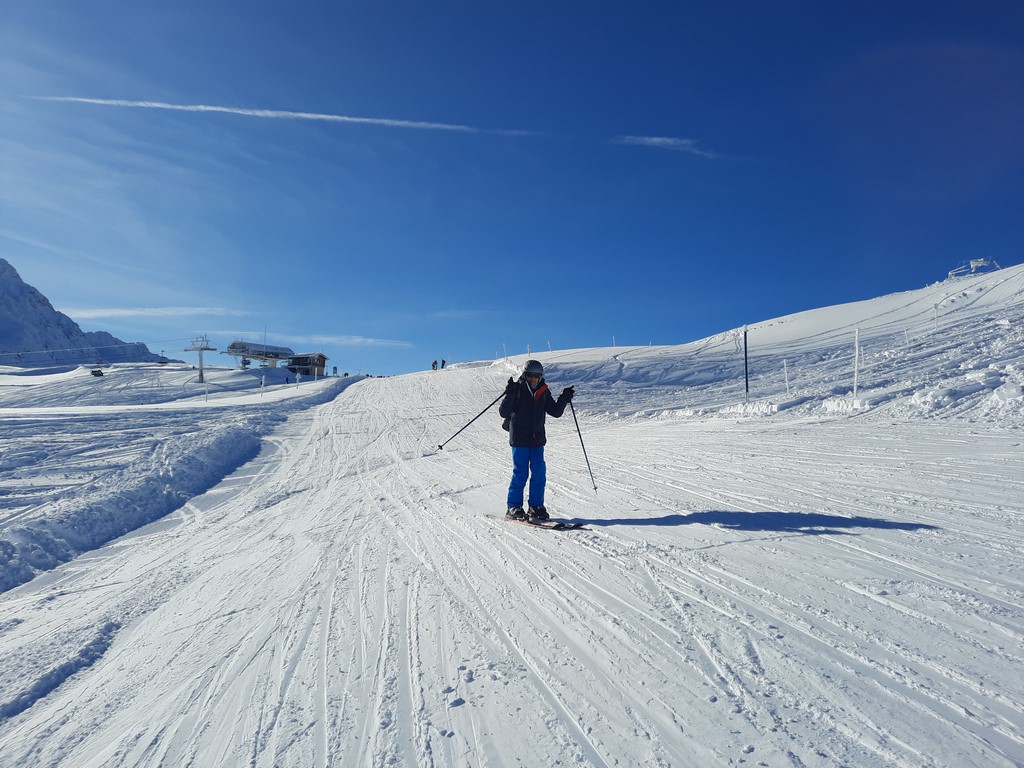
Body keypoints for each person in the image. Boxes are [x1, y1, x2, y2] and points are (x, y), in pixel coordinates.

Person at [498, 360, 574, 521]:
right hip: (519, 439)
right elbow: (503, 412)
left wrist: (564, 398)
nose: (533, 379)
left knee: (539, 473)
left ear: (541, 377)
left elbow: (555, 412)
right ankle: (513, 507)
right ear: (524, 375)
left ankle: (536, 506)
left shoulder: (543, 391)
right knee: (521, 473)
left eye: (536, 376)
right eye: (530, 376)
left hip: (537, 440)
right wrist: (510, 394)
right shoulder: (517, 389)